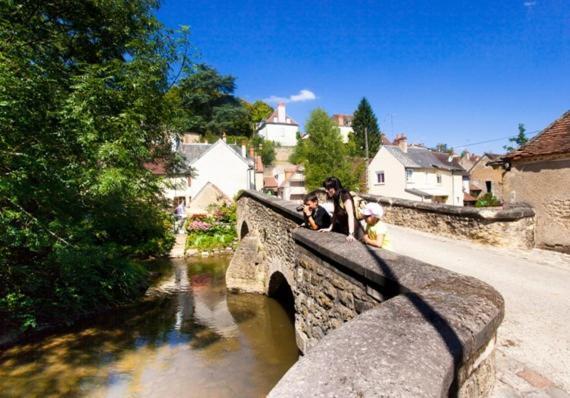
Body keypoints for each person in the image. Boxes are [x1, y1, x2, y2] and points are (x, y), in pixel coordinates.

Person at [320, 176, 363, 242]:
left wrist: (351, 233)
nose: (326, 190)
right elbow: (335, 212)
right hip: (344, 228)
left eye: (328, 188)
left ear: (335, 187)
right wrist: (330, 227)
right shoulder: (335, 196)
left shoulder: (344, 195)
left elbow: (350, 215)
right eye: (326, 188)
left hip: (354, 230)